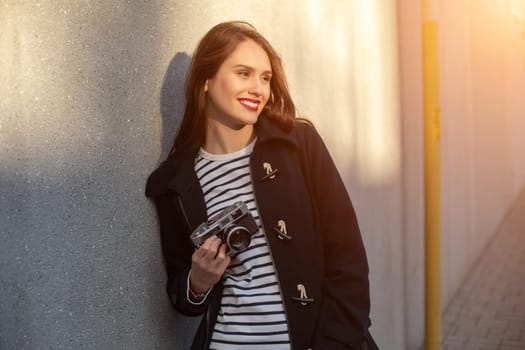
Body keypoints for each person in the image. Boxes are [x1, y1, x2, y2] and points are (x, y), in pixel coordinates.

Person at [146, 21, 378, 350]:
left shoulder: (298, 146)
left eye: (265, 77)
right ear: (207, 81)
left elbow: (348, 259)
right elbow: (181, 293)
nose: (258, 88)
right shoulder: (177, 183)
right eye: (244, 73)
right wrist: (198, 281)